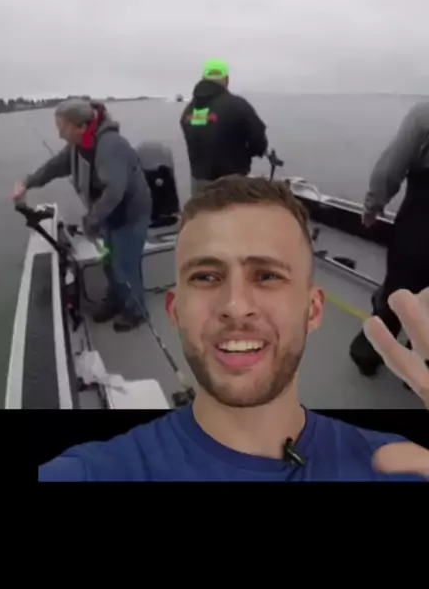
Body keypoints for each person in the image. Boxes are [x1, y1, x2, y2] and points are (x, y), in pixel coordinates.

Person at [39, 175, 428, 481]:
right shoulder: (96, 471)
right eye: (206, 277)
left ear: (312, 310)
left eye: (267, 276)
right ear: (175, 311)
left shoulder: (404, 465)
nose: (236, 307)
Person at [13, 98, 152, 332]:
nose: (59, 135)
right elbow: (54, 167)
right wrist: (27, 182)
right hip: (108, 215)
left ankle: (136, 311)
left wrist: (92, 220)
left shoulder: (110, 145)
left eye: (62, 128)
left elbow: (114, 192)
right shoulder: (79, 145)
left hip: (130, 214)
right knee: (109, 262)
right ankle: (116, 300)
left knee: (125, 264)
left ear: (80, 126)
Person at [349, 100, 429, 376]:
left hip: (421, 220)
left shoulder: (424, 114)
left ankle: (368, 354)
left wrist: (373, 206)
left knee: (398, 290)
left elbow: (390, 167)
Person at [180, 59, 268, 194]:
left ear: (203, 79)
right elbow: (258, 140)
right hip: (232, 186)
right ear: (226, 80)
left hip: (199, 185)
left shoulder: (188, 111)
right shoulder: (237, 105)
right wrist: (251, 152)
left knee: (203, 208)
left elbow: (203, 134)